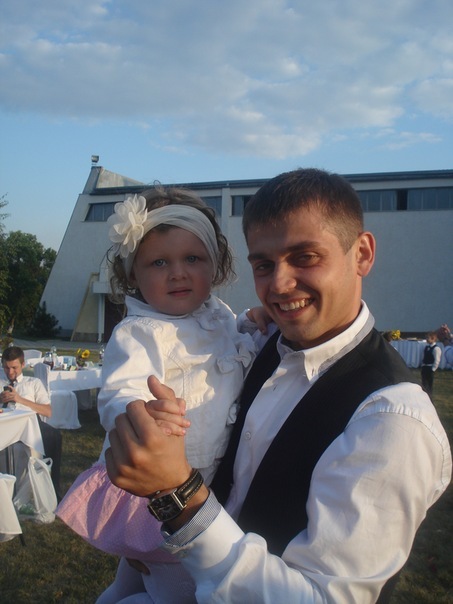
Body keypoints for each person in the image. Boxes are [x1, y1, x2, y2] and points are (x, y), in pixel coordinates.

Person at [106, 168, 452, 604]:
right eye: (264, 265)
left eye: (305, 257)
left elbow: (321, 598)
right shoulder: (266, 344)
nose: (280, 285)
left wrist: (179, 502)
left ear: (362, 254)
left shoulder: (391, 422)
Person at [57, 188, 271, 603]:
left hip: (202, 482)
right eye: (159, 262)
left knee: (130, 583)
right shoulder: (140, 333)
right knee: (175, 588)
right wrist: (145, 412)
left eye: (192, 259)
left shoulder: (219, 315)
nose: (177, 273)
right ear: (132, 275)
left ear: (215, 265)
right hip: (158, 488)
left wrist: (251, 320)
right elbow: (119, 392)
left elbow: (231, 341)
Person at [0, 346, 62, 500]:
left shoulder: (33, 383)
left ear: (23, 365)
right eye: (6, 368)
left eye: (14, 367)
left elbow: (47, 411)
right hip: (5, 425)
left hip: (30, 424)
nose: (10, 372)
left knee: (53, 436)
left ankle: (51, 486)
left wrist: (19, 399)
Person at [420, 331, 442, 398]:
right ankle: (424, 396)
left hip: (430, 368)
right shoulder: (426, 347)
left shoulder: (436, 348)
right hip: (424, 367)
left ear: (433, 339)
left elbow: (437, 360)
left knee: (429, 384)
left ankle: (429, 396)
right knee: (424, 383)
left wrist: (433, 369)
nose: (426, 339)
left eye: (428, 338)